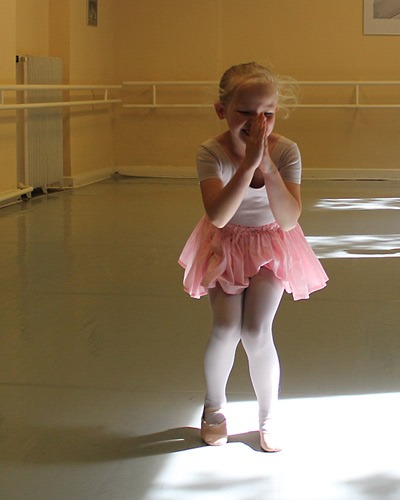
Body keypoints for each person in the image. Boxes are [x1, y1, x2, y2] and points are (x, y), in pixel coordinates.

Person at [179, 62, 328, 452]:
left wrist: (267, 165)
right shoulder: (210, 152)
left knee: (257, 331)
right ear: (222, 110)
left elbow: (289, 218)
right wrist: (247, 165)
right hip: (225, 244)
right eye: (245, 112)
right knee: (226, 330)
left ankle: (268, 416)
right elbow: (218, 215)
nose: (257, 123)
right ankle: (214, 408)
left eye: (267, 113)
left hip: (270, 245)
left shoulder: (287, 151)